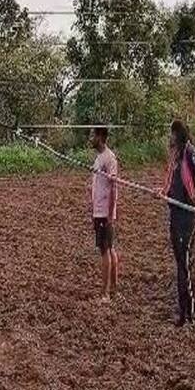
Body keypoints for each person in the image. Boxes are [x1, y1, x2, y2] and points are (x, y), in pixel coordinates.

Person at [156, 120, 195, 327]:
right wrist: (163, 193)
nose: (169, 137)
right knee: (180, 265)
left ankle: (188, 314)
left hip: (186, 218)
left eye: (171, 133)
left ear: (178, 134)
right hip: (175, 215)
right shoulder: (175, 156)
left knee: (184, 265)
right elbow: (171, 182)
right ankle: (182, 311)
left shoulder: (190, 153)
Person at [90, 127, 119, 301]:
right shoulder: (99, 158)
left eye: (93, 135)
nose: (90, 138)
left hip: (104, 212)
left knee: (105, 251)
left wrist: (109, 214)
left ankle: (106, 293)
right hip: (98, 210)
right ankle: (113, 289)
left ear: (101, 137)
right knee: (109, 248)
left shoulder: (109, 158)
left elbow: (114, 187)